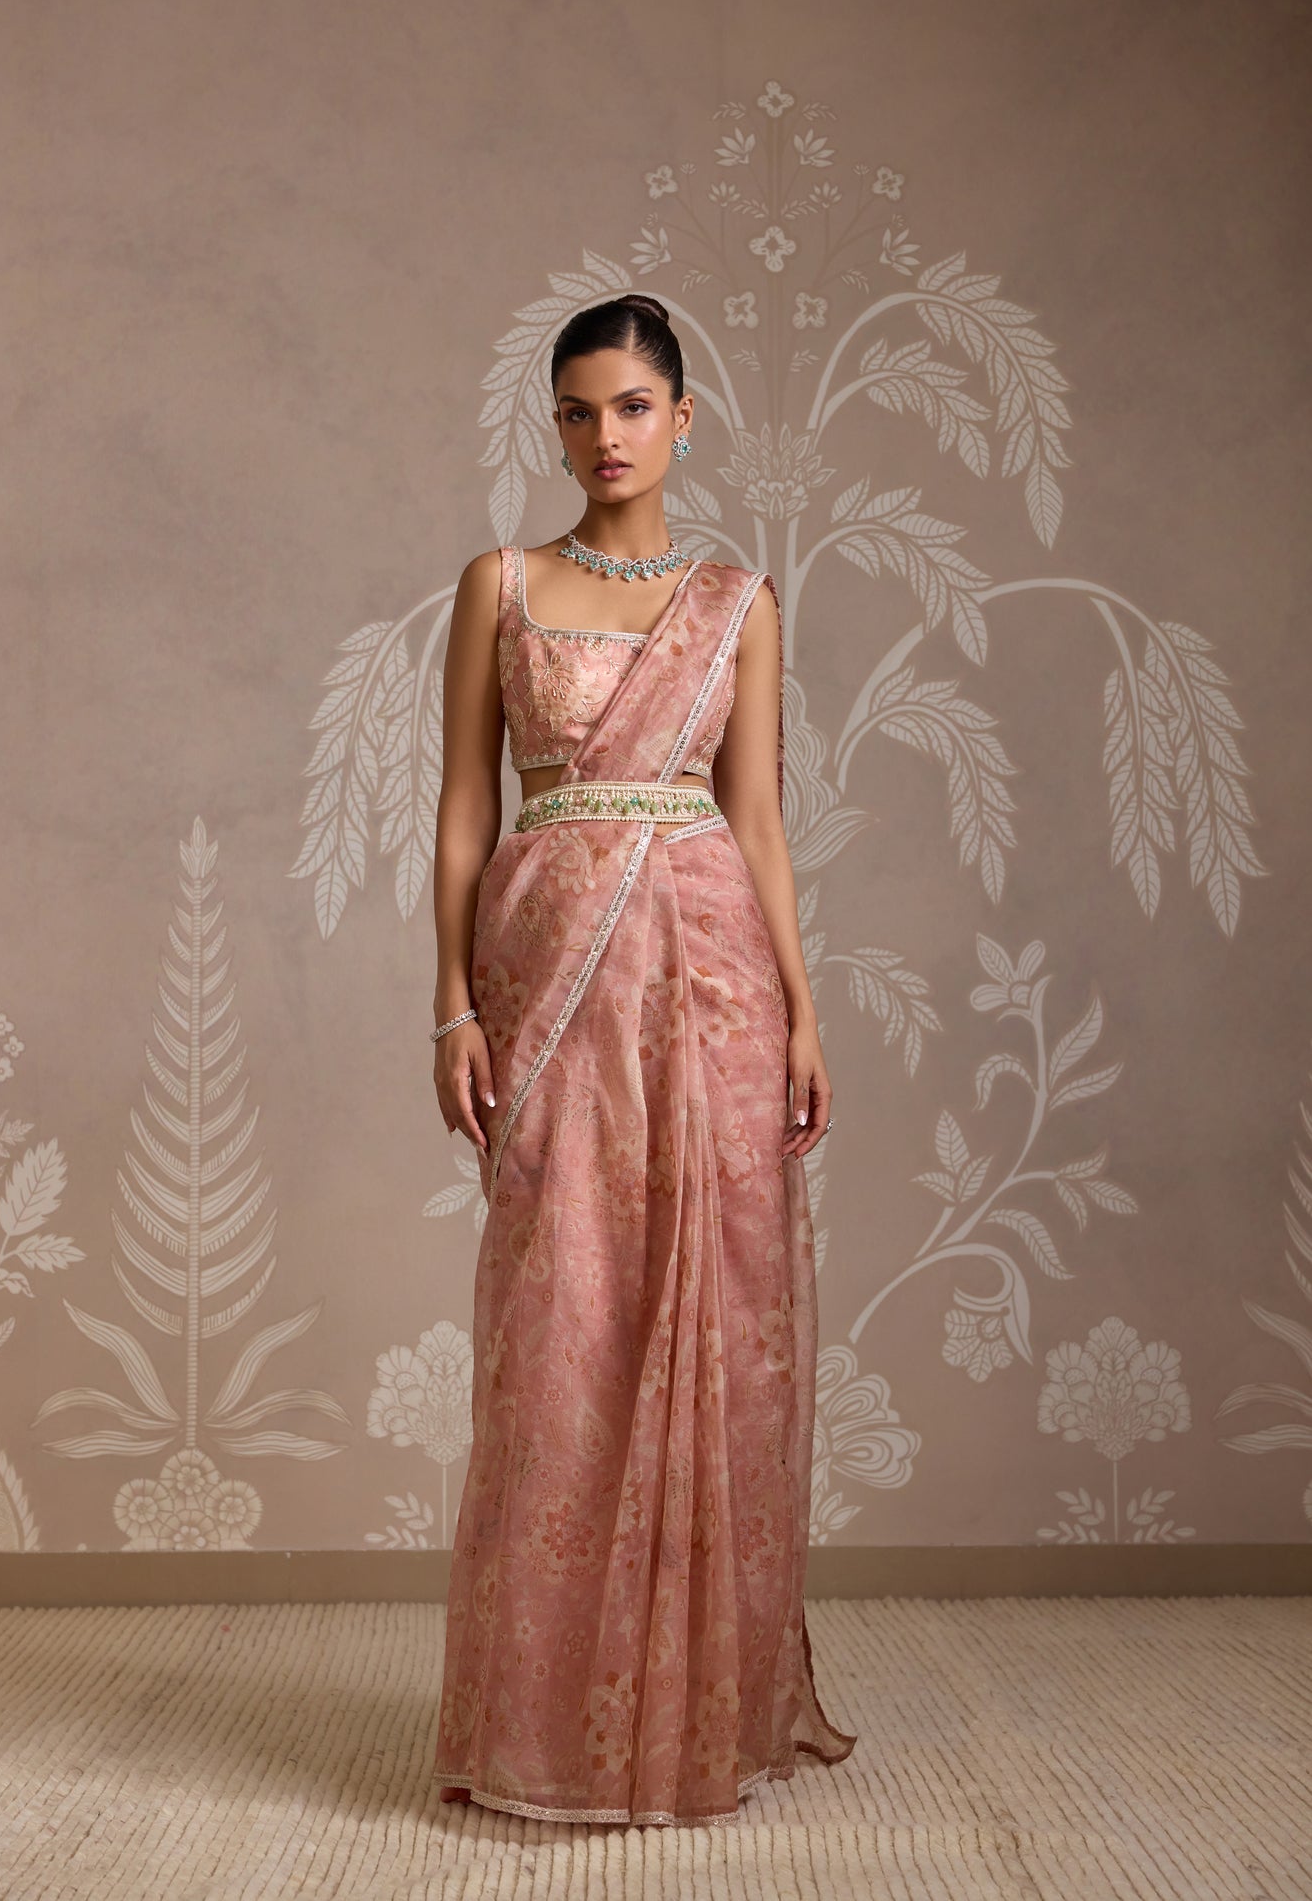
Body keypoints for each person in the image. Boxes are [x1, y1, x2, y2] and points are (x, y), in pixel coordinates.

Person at [429, 293, 856, 1826]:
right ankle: (545, 1725)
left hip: (713, 977)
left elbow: (759, 825)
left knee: (709, 1315)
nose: (602, 436)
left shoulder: (737, 602)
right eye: (575, 411)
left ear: (682, 417)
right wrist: (450, 1004)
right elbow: (464, 812)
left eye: (628, 407)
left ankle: (687, 1725)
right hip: (550, 974)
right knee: (561, 1322)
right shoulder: (500, 584)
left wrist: (800, 1011)